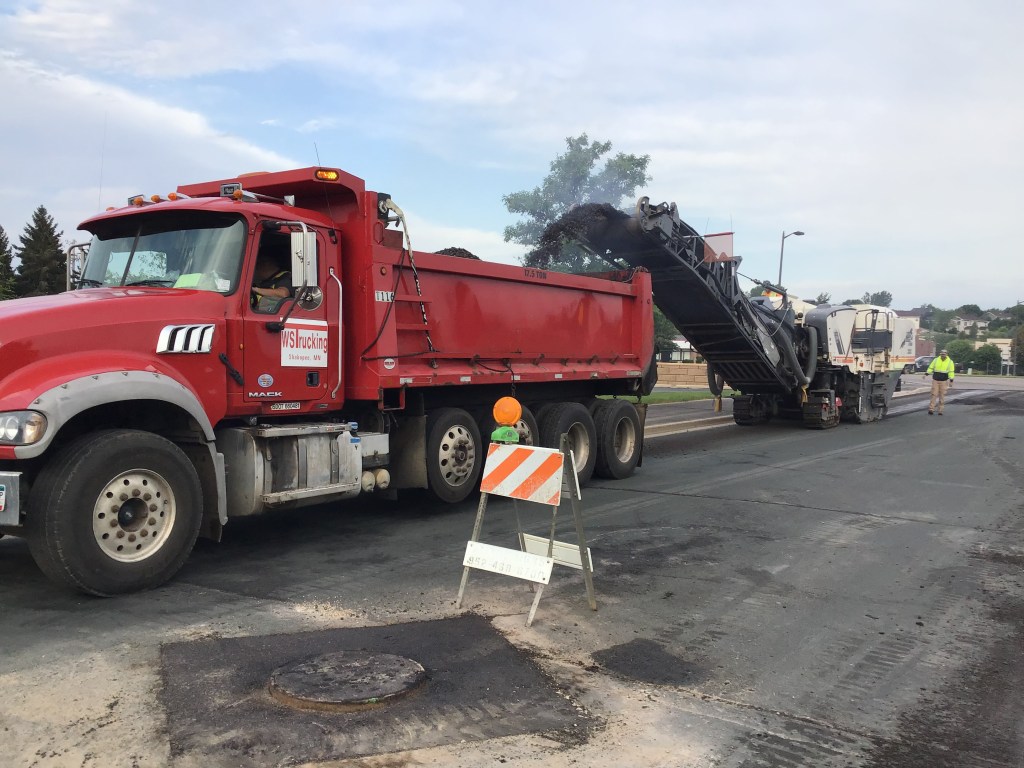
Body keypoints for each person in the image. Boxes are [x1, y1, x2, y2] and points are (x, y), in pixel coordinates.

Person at [251, 236, 292, 307]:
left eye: (258, 264)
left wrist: (255, 290)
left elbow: (283, 294)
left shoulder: (285, 277)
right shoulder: (266, 281)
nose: (255, 269)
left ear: (266, 263)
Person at [926, 349, 955, 415]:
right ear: (940, 354)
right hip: (935, 380)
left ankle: (940, 410)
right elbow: (931, 367)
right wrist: (926, 374)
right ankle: (931, 409)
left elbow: (951, 372)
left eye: (944, 354)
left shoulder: (950, 362)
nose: (942, 355)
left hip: (944, 381)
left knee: (942, 396)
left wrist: (951, 380)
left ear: (946, 354)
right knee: (934, 394)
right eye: (941, 354)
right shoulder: (936, 360)